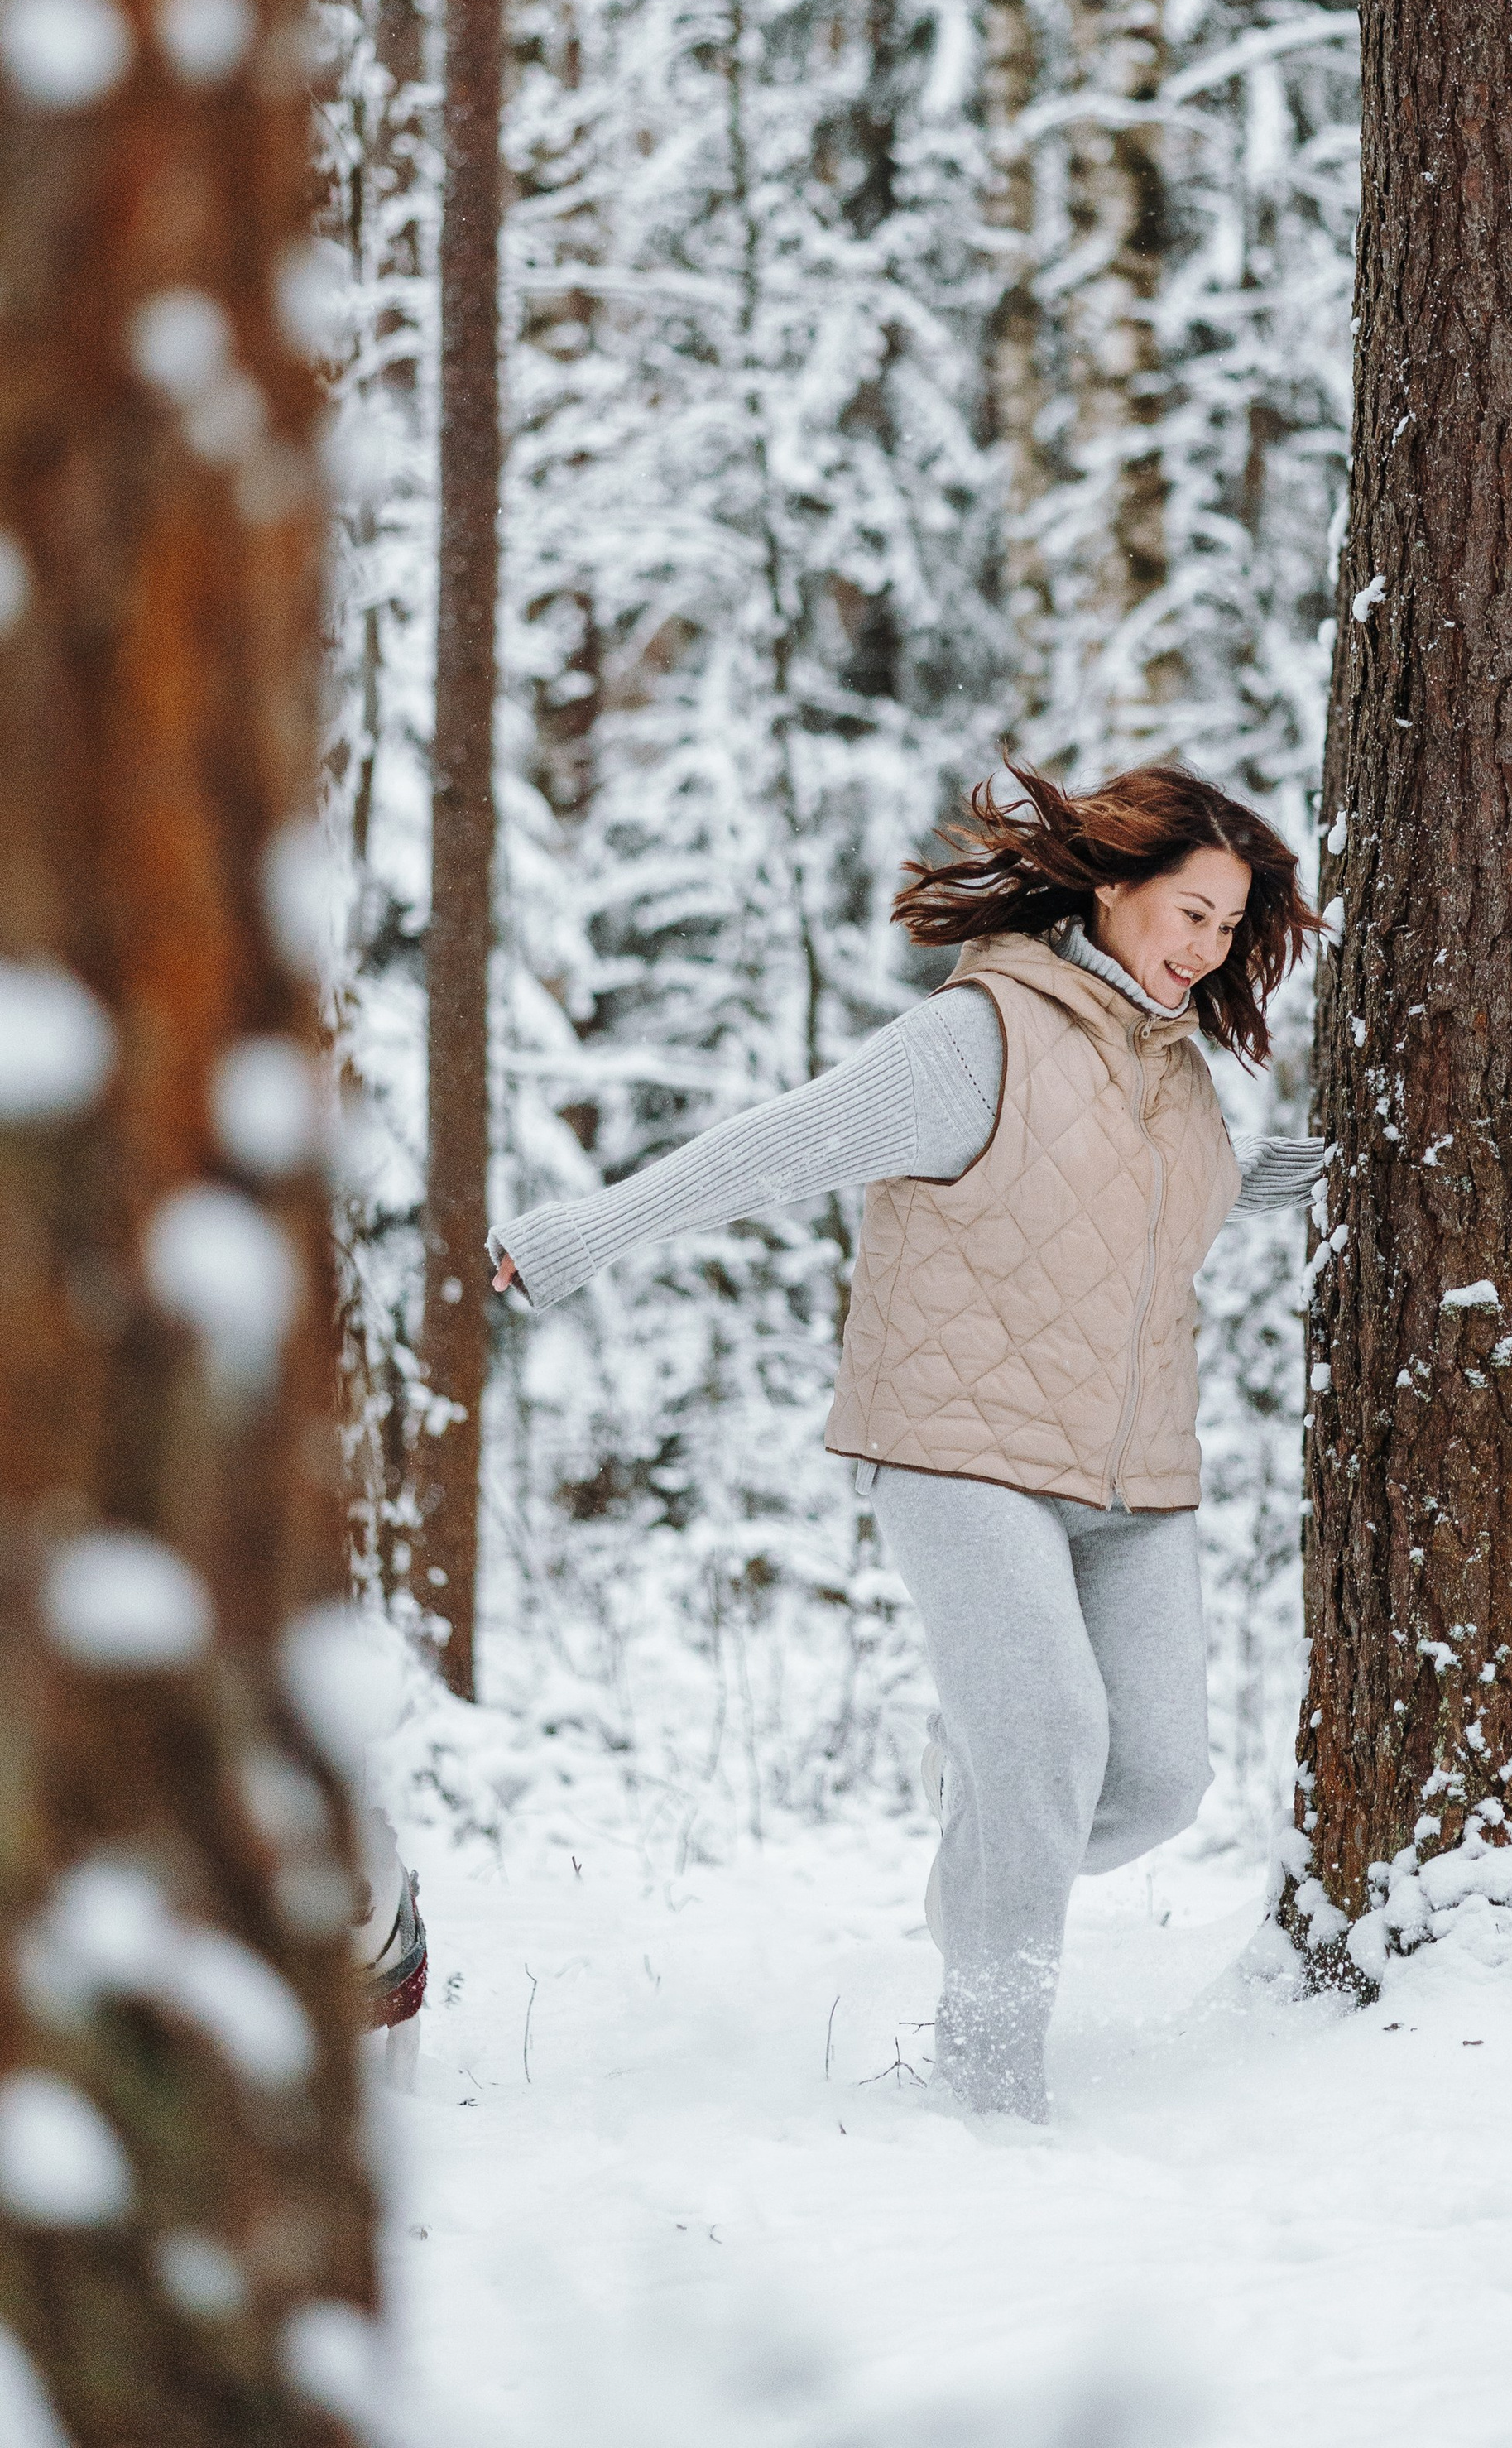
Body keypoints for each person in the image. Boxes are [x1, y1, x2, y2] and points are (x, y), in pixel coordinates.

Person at [489, 760, 1322, 2120]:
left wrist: (1377, 1165)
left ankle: (989, 1813)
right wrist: (580, 1237)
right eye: (1187, 912)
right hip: (961, 1452)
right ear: (1108, 886)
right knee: (1051, 1741)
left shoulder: (1177, 1077)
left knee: (1159, 1780)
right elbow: (776, 1147)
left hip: (1135, 1479)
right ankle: (992, 2095)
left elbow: (1209, 1191)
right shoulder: (977, 1037)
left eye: (1228, 927)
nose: (1203, 949)